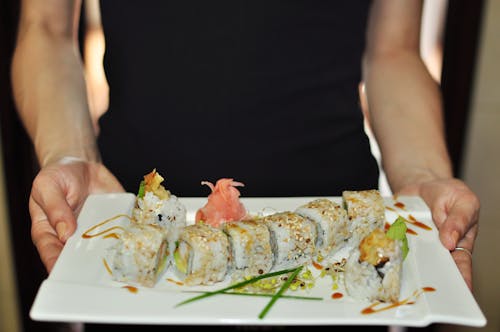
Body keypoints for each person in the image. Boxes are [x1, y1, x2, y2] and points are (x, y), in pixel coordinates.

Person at [11, 0, 479, 329]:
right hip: (136, 224)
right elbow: (46, 30)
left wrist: (424, 177)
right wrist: (68, 154)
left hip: (336, 244)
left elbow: (392, 50)